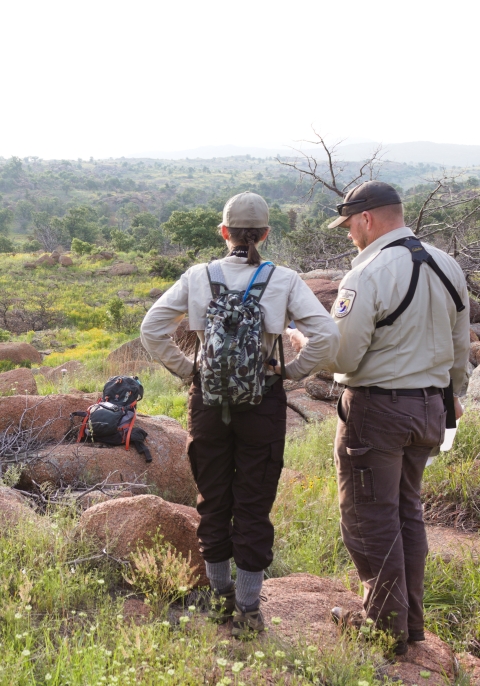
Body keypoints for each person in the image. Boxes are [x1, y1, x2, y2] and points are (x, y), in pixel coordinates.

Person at [140, 191, 340, 636]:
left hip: (208, 403)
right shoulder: (283, 278)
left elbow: (151, 328)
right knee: (254, 503)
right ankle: (249, 609)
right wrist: (289, 372)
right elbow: (326, 335)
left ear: (224, 232)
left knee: (213, 499)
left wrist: (189, 369)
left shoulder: (198, 276)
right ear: (266, 233)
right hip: (262, 402)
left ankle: (218, 599)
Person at [291, 180, 470, 655]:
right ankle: (409, 623)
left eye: (350, 224)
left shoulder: (367, 274)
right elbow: (459, 347)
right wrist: (454, 395)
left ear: (367, 218)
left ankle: (382, 628)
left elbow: (345, 359)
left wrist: (306, 346)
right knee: (407, 512)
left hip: (378, 410)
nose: (350, 234)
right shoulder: (446, 263)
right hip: (431, 407)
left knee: (369, 517)